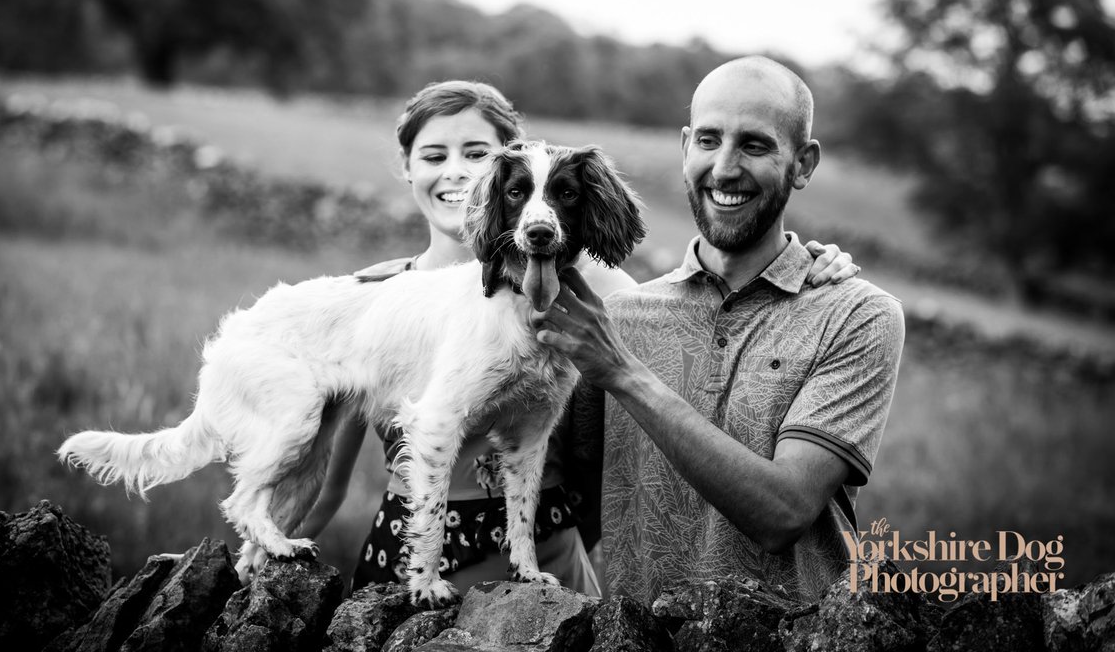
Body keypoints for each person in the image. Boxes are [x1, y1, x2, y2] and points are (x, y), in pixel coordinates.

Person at [296, 78, 860, 597]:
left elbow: (678, 324)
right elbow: (325, 479)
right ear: (407, 166)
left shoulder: (602, 292)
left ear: (516, 162)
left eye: (477, 154)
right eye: (434, 155)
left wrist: (808, 263)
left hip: (543, 557)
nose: (457, 173)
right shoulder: (375, 298)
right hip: (407, 558)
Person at [533, 56, 905, 604]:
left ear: (803, 164)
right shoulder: (621, 317)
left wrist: (625, 374)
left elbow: (784, 512)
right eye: (708, 140)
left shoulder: (856, 315)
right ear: (686, 147)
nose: (725, 168)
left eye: (754, 145)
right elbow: (577, 494)